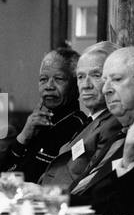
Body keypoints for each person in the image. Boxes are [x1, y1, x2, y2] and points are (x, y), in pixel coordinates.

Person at [69, 48, 134, 215]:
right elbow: (103, 198)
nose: (105, 89)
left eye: (117, 79)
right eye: (105, 80)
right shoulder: (122, 134)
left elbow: (122, 210)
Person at [38, 41, 123, 187]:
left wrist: (41, 193)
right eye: (81, 77)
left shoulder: (113, 124)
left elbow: (88, 185)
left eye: (96, 75)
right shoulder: (91, 120)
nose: (86, 85)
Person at [0, 47, 87, 183]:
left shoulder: (79, 127)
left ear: (76, 85)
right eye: (43, 79)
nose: (48, 86)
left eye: (58, 79)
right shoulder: (38, 123)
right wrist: (24, 136)